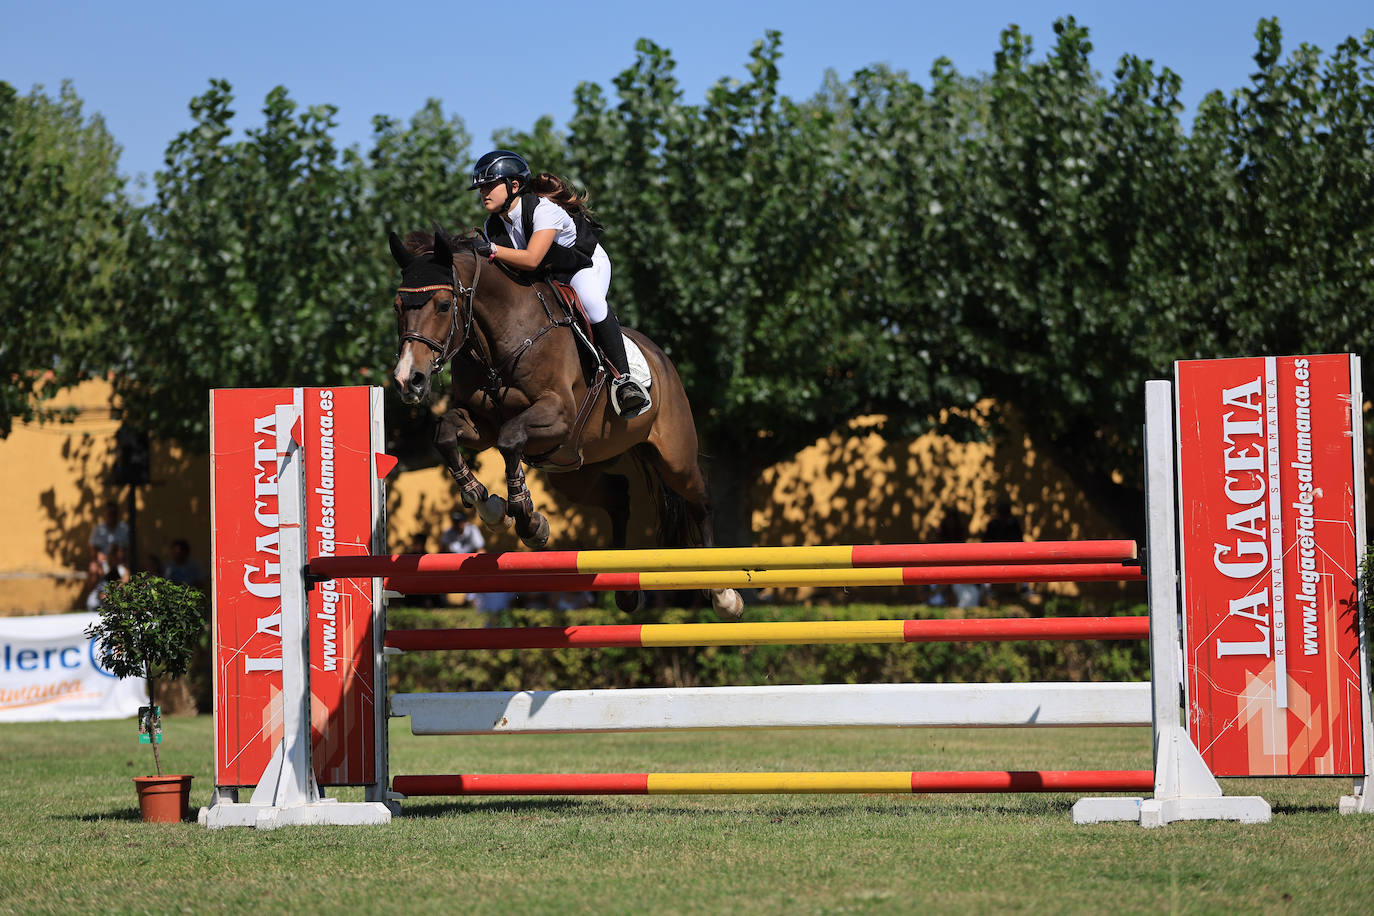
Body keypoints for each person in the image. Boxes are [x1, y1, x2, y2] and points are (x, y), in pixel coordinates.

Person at [467, 149, 650, 417]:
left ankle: (624, 380)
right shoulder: (493, 224)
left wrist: (491, 250)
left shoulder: (544, 210)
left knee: (590, 303)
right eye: (481, 188)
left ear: (514, 186)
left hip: (583, 265)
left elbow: (531, 259)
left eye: (489, 185)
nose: (484, 193)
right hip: (549, 274)